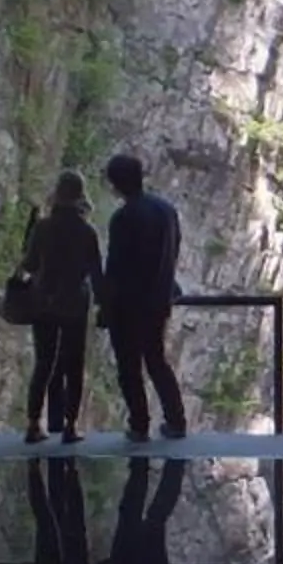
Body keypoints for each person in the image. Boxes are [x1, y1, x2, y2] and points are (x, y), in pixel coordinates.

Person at [98, 151, 187, 443]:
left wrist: (106, 305)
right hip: (159, 300)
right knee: (156, 360)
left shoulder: (123, 218)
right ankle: (176, 420)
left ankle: (140, 424)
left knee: (128, 366)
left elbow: (117, 266)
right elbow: (174, 250)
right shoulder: (166, 210)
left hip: (128, 304)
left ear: (116, 184)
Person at [18, 169, 102, 442]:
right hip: (75, 304)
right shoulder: (87, 232)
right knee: (73, 365)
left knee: (44, 362)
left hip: (43, 302)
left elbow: (29, 265)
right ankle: (70, 425)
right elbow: (96, 273)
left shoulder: (42, 227)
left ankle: (33, 424)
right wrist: (104, 305)